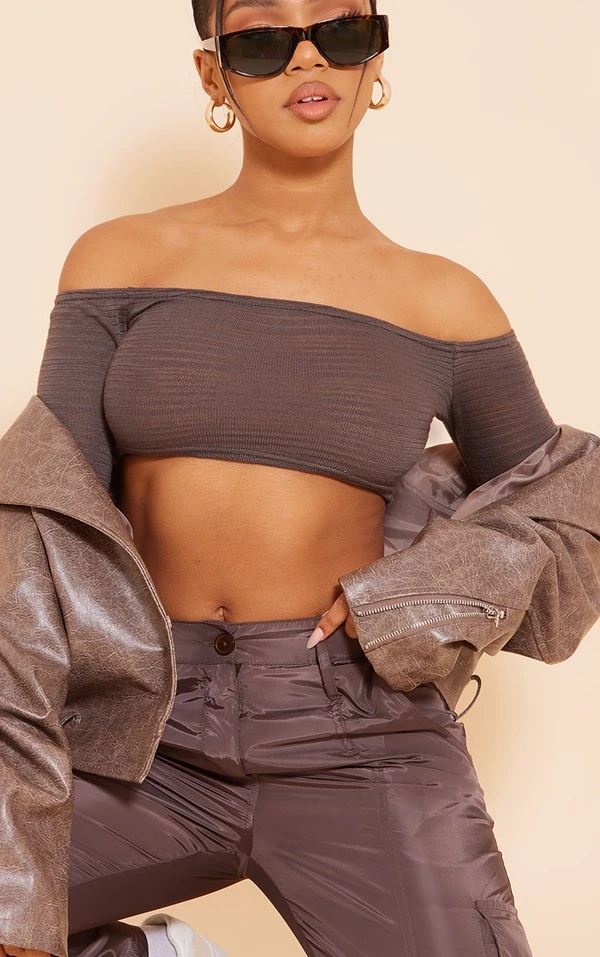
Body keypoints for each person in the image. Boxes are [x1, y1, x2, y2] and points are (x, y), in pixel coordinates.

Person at [1, 1, 564, 955]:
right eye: (263, 39)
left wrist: (417, 595)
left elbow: (562, 504)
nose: (308, 58)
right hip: (146, 730)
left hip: (360, 733)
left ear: (375, 59)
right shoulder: (121, 260)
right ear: (214, 75)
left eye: (340, 30)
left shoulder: (443, 301)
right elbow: (46, 528)